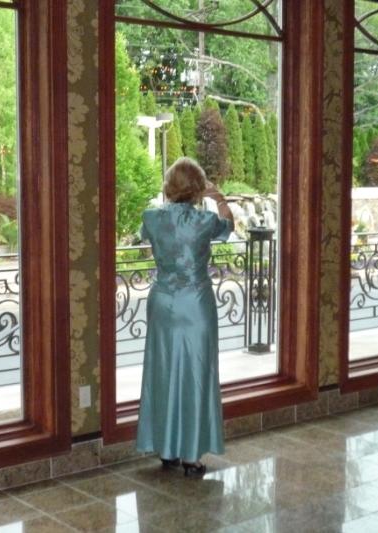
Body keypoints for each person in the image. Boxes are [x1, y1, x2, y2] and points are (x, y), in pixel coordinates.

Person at [135, 157, 234, 477]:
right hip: (195, 304)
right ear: (198, 188)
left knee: (163, 371)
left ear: (169, 186)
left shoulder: (151, 217)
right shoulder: (205, 220)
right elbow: (229, 226)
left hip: (163, 302)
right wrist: (220, 199)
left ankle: (167, 450)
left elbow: (144, 236)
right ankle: (191, 456)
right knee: (195, 372)